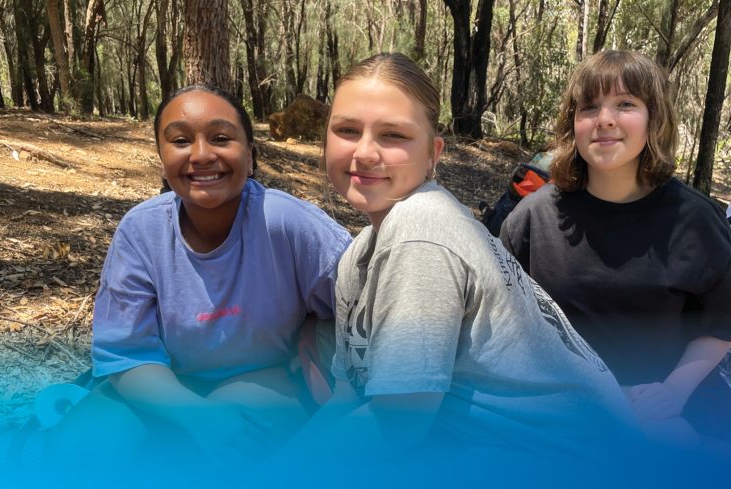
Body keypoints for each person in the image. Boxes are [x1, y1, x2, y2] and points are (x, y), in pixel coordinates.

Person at [276, 53, 640, 477]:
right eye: (347, 130)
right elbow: (347, 397)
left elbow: (398, 423)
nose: (365, 152)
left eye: (393, 135)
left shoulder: (420, 229)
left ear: (433, 153)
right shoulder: (358, 255)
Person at [47, 85, 351, 469]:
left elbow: (367, 304)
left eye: (221, 138)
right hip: (162, 381)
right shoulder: (141, 232)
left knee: (219, 452)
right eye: (180, 141)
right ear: (162, 158)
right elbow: (126, 355)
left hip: (269, 377)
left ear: (250, 157)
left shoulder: (289, 223)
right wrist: (198, 417)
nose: (202, 154)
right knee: (75, 451)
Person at [500, 50, 731, 447]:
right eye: (589, 107)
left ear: (654, 119)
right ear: (573, 123)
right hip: (562, 407)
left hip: (664, 407)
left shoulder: (696, 220)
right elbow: (505, 329)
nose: (604, 119)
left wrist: (672, 393)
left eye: (625, 104)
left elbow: (721, 322)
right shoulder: (532, 219)